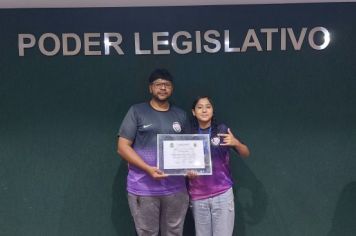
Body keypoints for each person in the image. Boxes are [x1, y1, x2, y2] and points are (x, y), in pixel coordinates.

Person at [117, 69, 189, 236]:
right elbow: (122, 147)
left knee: (174, 233)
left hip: (176, 189)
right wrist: (148, 169)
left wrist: (192, 168)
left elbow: (189, 149)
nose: (163, 88)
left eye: (167, 85)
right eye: (158, 84)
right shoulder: (136, 111)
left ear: (172, 88)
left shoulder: (181, 115)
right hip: (143, 188)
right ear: (150, 88)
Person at [187, 96, 250, 236]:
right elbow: (182, 163)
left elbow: (246, 153)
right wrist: (186, 171)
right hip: (198, 196)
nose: (204, 110)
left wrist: (236, 143)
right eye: (200, 107)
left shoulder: (222, 130)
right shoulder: (188, 133)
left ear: (212, 110)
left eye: (208, 107)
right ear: (193, 112)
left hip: (222, 194)